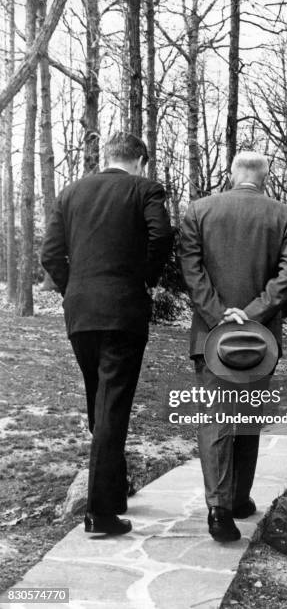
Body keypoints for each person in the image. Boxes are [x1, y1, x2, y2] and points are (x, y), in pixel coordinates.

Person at [41, 132, 173, 535]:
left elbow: (50, 254)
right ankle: (100, 513)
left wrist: (73, 289)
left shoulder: (70, 192)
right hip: (123, 311)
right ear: (140, 160)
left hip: (80, 313)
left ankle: (112, 493)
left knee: (101, 404)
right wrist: (143, 280)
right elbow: (162, 236)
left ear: (107, 157)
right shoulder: (145, 189)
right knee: (111, 406)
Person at [179, 151, 287, 542]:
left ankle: (219, 507)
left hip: (209, 337)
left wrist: (220, 316)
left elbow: (192, 270)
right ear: (265, 178)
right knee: (248, 417)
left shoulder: (198, 211)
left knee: (215, 417)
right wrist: (250, 316)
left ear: (232, 174)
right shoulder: (285, 216)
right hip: (260, 338)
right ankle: (239, 498)